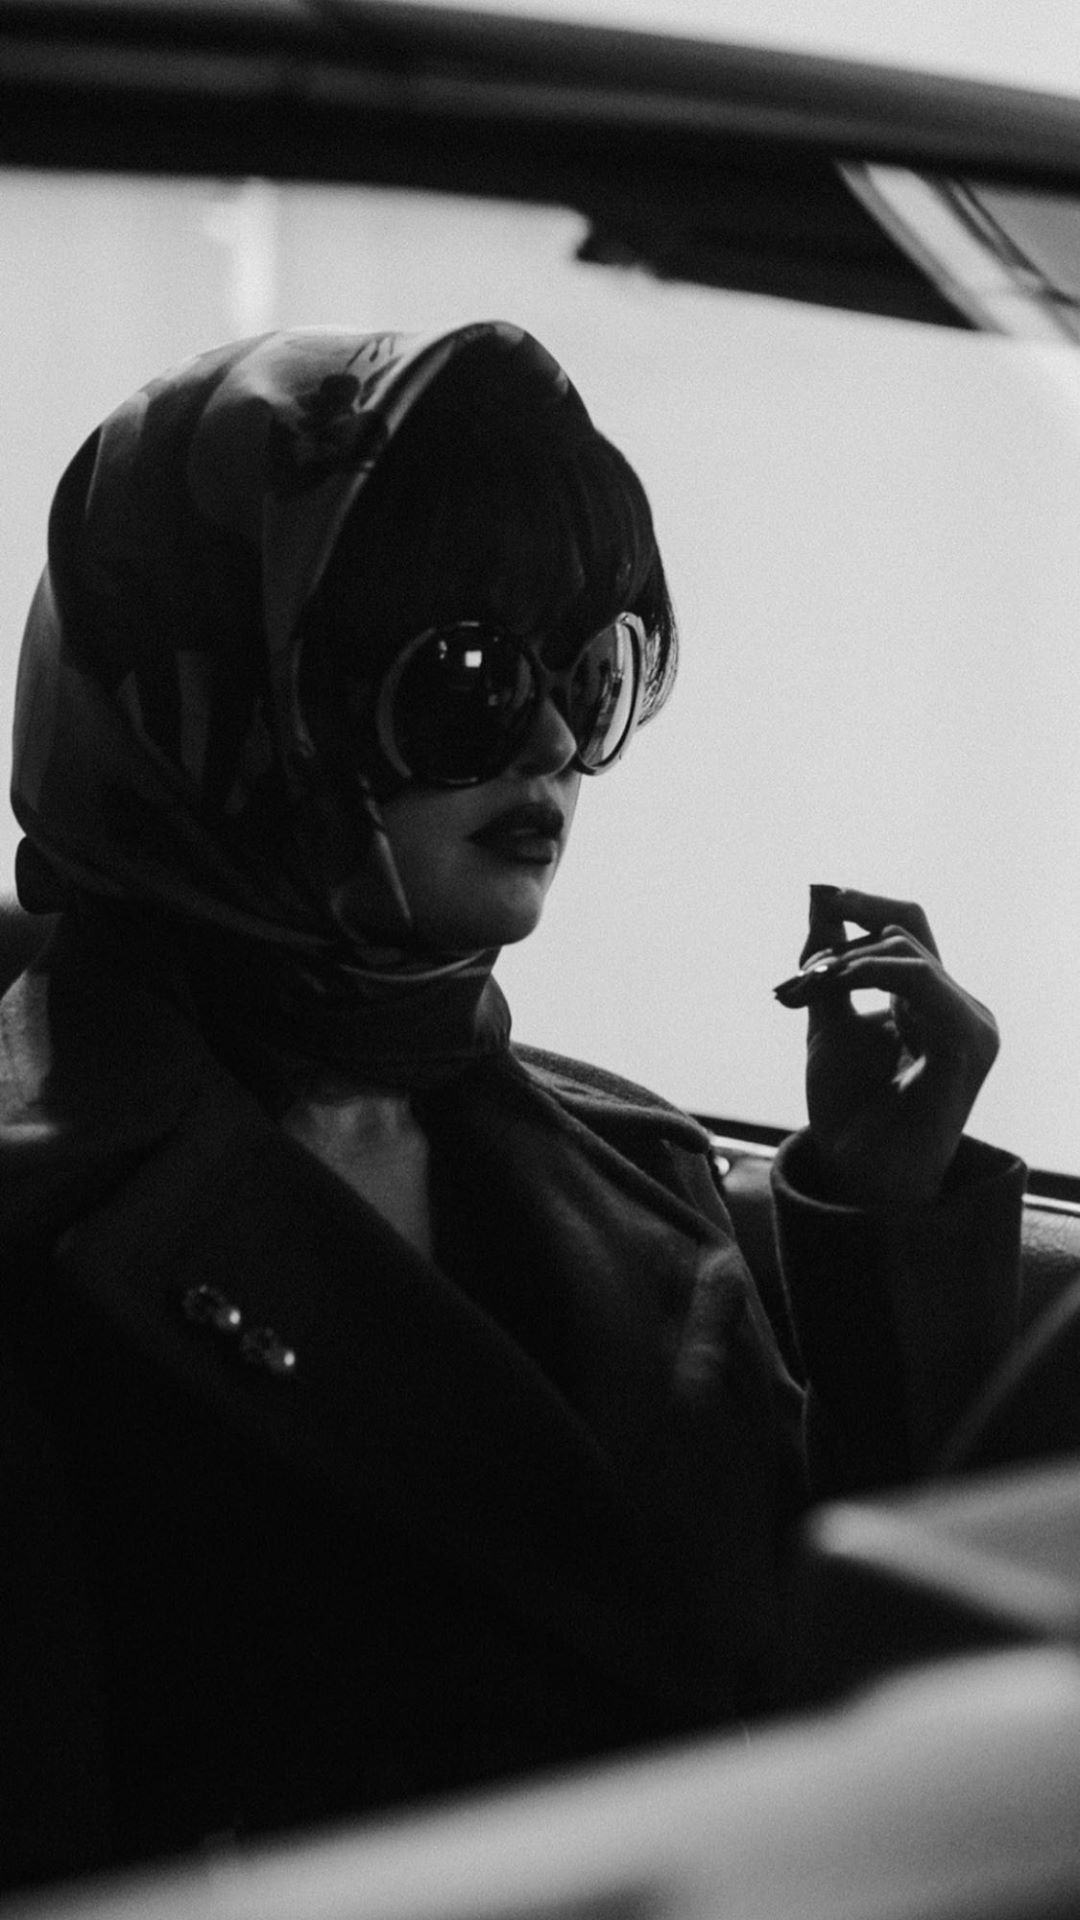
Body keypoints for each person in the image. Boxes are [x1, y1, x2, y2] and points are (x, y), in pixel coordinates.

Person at [0, 322, 1023, 1894]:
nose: (553, 744)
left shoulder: (638, 1166)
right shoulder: (44, 1232)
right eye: (467, 683)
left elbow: (817, 1708)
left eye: (590, 672)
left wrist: (876, 1219)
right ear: (219, 709)